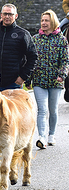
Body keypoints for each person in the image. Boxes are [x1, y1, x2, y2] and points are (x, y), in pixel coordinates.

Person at [25, 10, 69, 149]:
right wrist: (28, 79)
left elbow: (65, 60)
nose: (43, 23)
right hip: (39, 80)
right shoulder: (35, 39)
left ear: (53, 22)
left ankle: (51, 135)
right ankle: (42, 137)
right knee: (42, 109)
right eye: (42, 20)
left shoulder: (61, 40)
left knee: (53, 109)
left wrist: (62, 75)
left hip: (56, 81)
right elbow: (29, 60)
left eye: (46, 21)